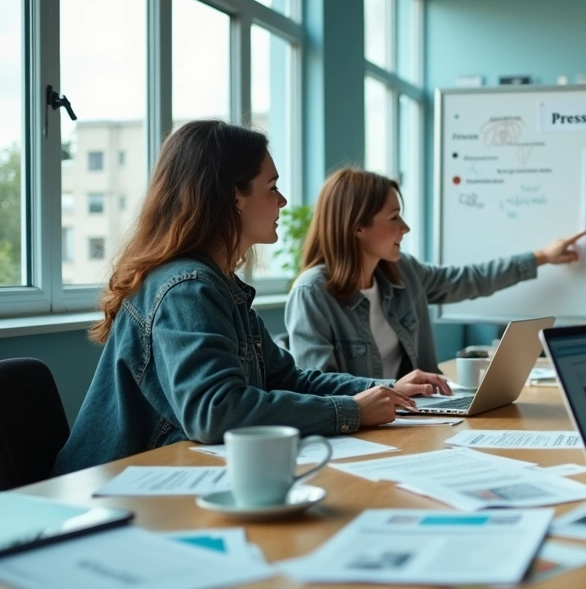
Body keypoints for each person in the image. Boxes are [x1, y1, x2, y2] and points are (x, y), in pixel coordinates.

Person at [54, 121, 447, 474]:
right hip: (110, 492)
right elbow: (216, 410)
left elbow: (287, 378)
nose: (283, 202)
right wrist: (348, 411)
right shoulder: (186, 288)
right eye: (272, 187)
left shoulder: (220, 285)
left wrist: (384, 388)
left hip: (166, 476)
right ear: (233, 197)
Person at [285, 168, 586, 380]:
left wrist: (541, 257)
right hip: (362, 433)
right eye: (394, 218)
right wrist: (392, 391)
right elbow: (319, 386)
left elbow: (470, 279)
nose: (405, 228)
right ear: (358, 227)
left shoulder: (402, 272)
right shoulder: (312, 293)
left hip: (415, 417)